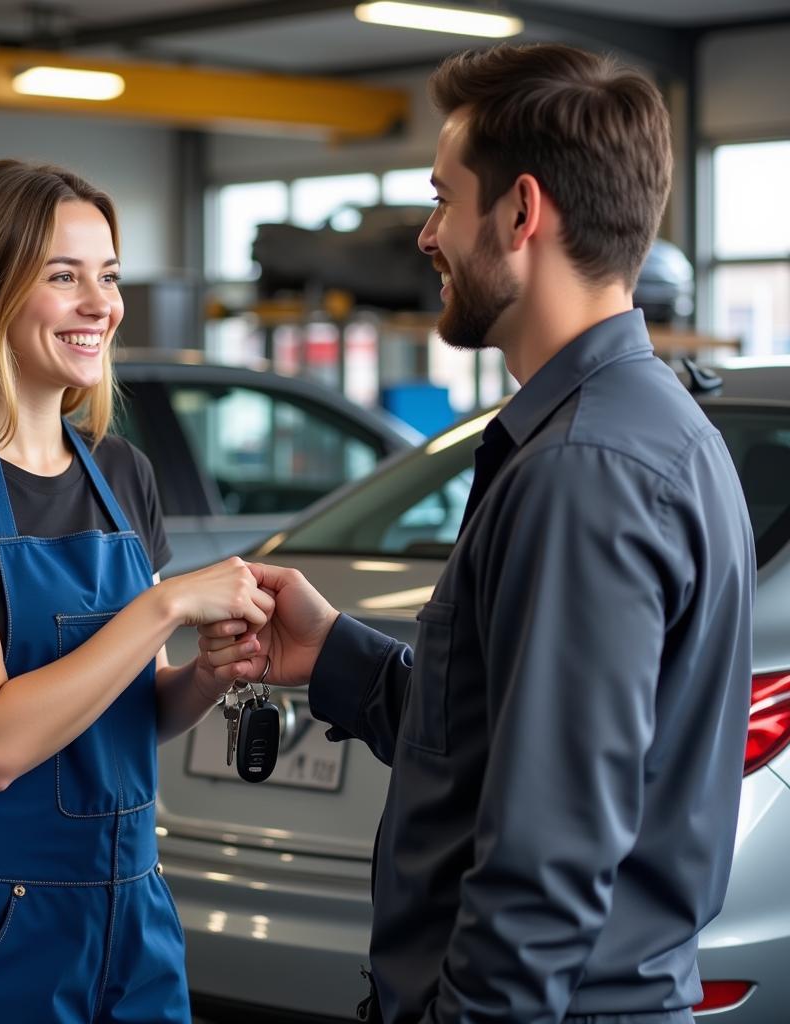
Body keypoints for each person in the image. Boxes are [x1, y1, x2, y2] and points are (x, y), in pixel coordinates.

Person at [201, 44, 756, 1024]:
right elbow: (511, 741)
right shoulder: (627, 432)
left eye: (441, 199)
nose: (425, 235)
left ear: (520, 212)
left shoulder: (585, 471)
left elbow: (547, 857)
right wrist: (341, 656)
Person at [0, 159, 272, 1023]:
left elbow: (129, 706)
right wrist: (166, 604)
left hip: (133, 913)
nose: (100, 304)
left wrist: (207, 676)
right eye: (62, 276)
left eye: (107, 276)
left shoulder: (121, 472)